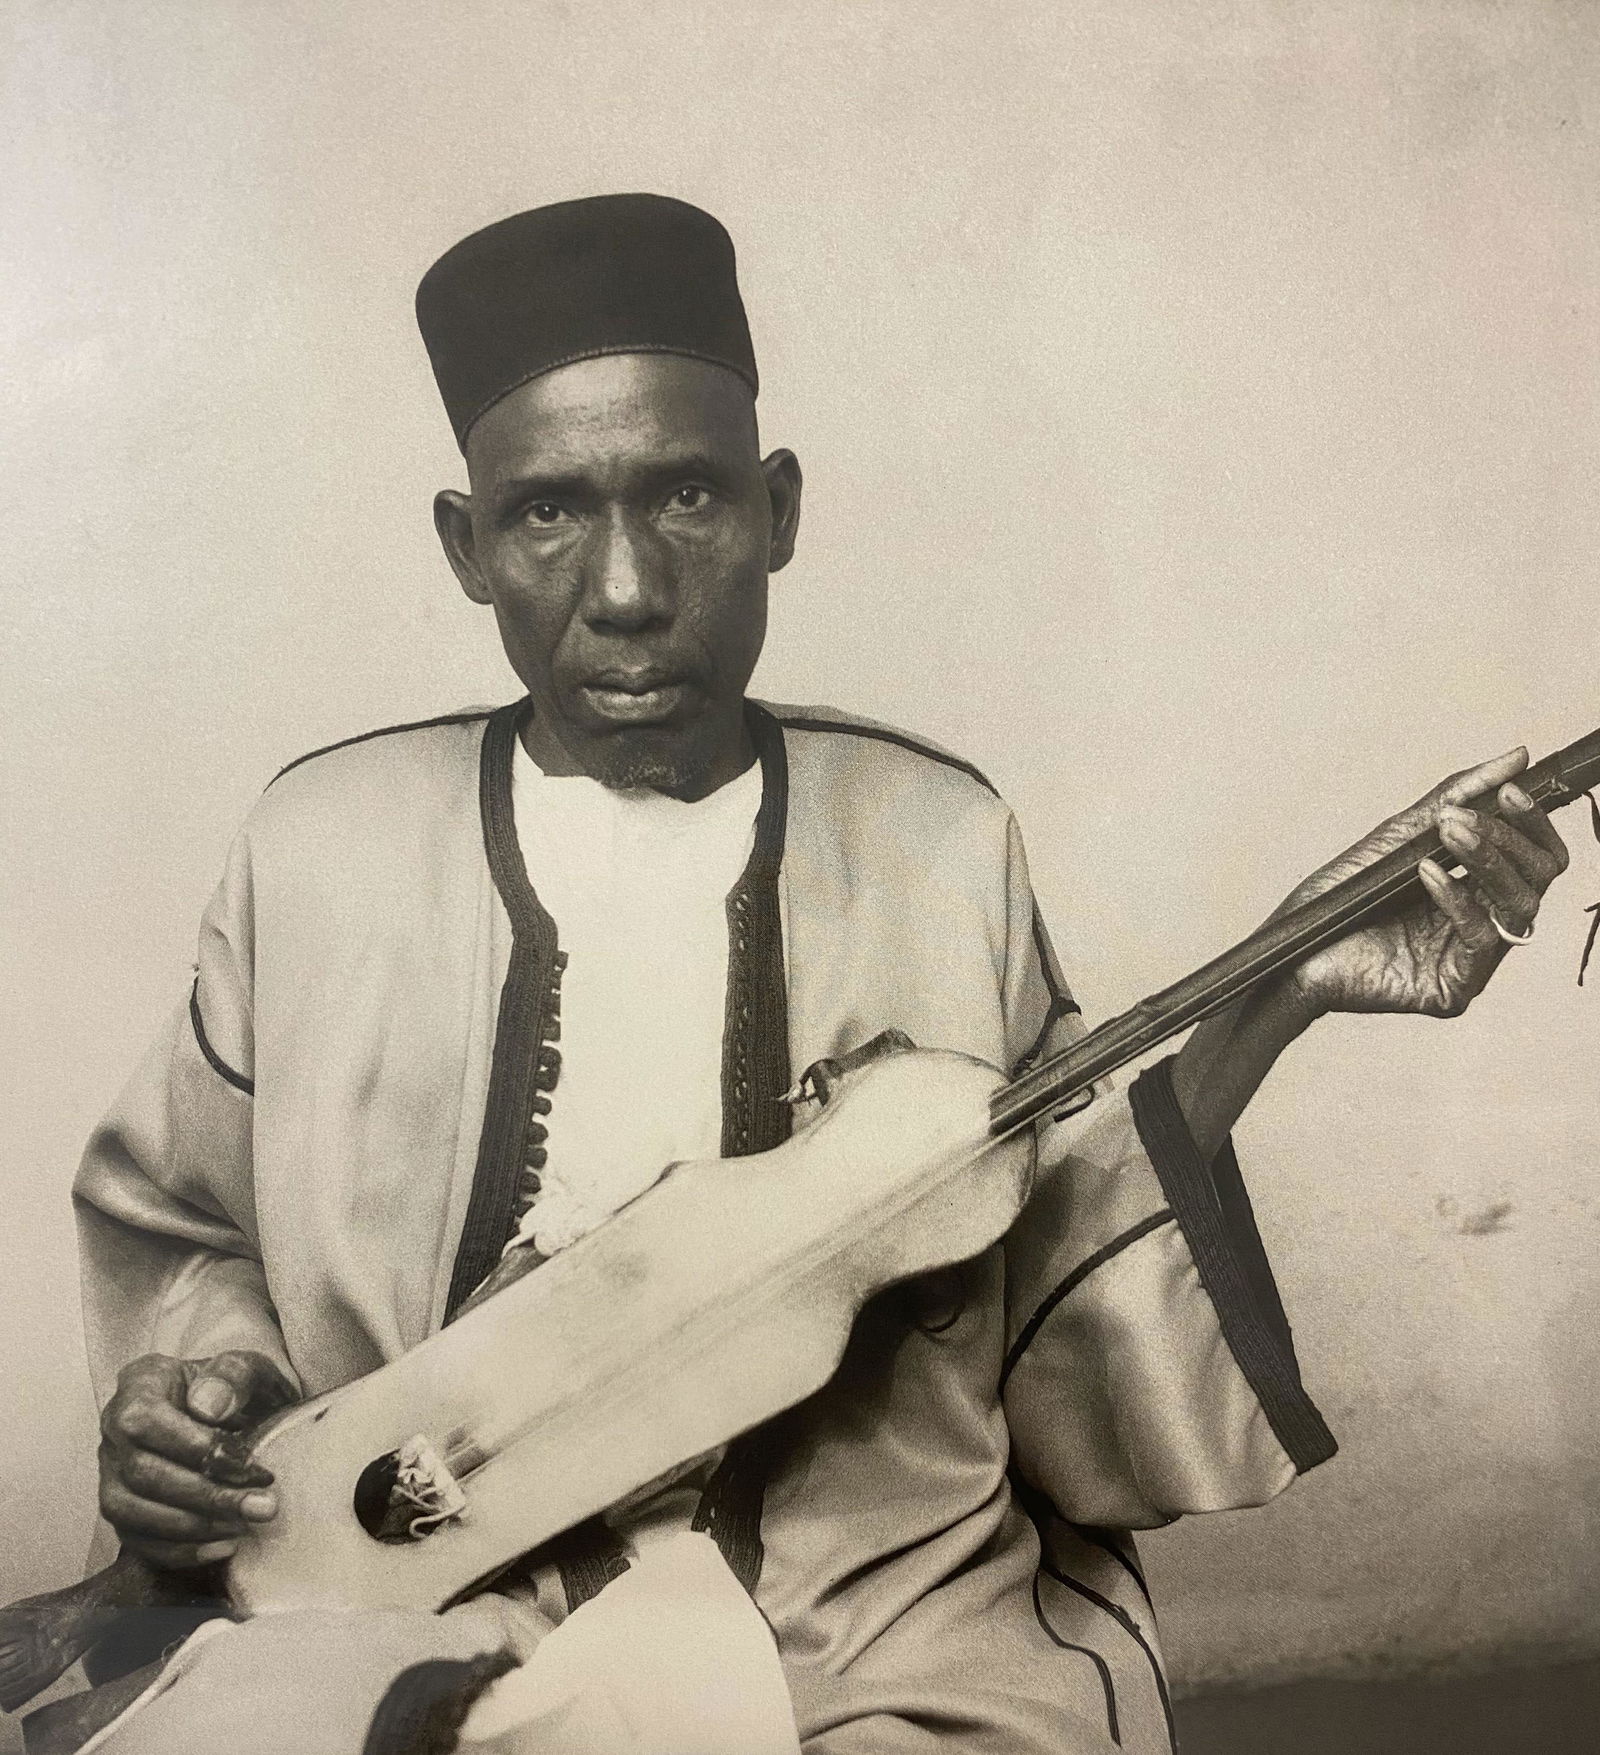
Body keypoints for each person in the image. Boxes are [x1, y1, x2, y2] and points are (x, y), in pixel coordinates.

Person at [62, 195, 1568, 1754]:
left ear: (780, 508)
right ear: (465, 544)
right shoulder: (319, 848)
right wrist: (206, 1394)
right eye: (547, 514)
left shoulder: (935, 835)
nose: (631, 589)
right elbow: (184, 1218)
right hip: (401, 1576)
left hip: (857, 1599)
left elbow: (1033, 1251)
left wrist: (1287, 986)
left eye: (691, 498)